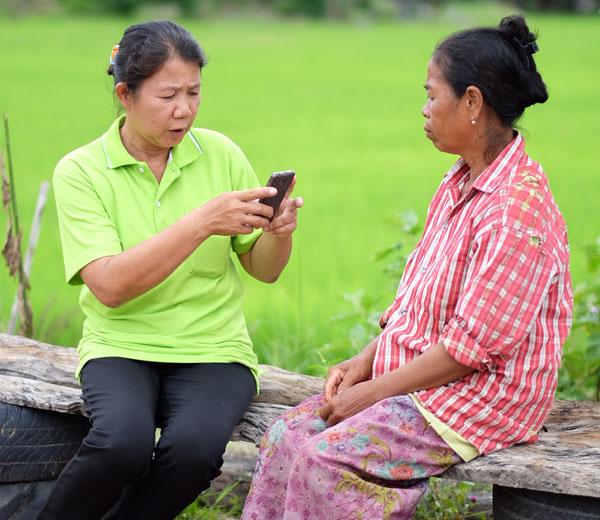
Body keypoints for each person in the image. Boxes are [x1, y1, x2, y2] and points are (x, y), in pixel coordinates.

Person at [241, 14, 572, 520]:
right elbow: (421, 300)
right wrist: (365, 361)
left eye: (431, 94)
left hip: (479, 398)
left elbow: (469, 351)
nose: (424, 109)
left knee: (323, 459)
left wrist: (372, 393)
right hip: (425, 377)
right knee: (286, 435)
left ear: (473, 102)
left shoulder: (515, 211)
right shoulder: (459, 181)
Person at [40, 20, 303, 520]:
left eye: (194, 92)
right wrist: (201, 222)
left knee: (196, 450)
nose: (184, 110)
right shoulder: (81, 171)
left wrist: (278, 234)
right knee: (122, 443)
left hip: (214, 349)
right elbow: (111, 287)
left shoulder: (220, 153)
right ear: (125, 94)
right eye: (167, 96)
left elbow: (262, 270)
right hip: (121, 345)